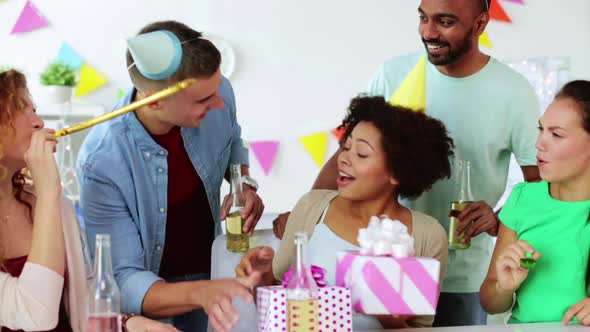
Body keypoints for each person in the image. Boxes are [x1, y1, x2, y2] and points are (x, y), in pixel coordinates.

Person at [272, 0, 542, 326]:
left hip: (463, 276)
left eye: (445, 22)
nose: (429, 31)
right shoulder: (392, 74)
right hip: (379, 265)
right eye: (424, 18)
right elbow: (349, 150)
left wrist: (499, 220)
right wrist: (311, 213)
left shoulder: (513, 92)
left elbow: (539, 182)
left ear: (480, 23)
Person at [76, 21, 263, 332]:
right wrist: (203, 293)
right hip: (155, 305)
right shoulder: (101, 163)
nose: (218, 104)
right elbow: (123, 277)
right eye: (203, 100)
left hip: (212, 273)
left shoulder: (218, 92)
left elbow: (232, 139)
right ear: (155, 100)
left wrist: (243, 183)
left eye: (217, 91)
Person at [238, 95, 453, 329]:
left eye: (361, 154)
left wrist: (392, 320)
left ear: (397, 173)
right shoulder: (312, 207)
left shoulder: (428, 235)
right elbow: (278, 306)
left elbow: (422, 328)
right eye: (346, 147)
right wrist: (261, 280)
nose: (343, 159)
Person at [0, 69, 178, 332]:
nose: (39, 123)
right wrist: (49, 190)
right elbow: (36, 316)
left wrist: (129, 324)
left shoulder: (54, 207)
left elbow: (82, 300)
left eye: (34, 109)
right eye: (19, 109)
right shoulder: (50, 199)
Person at [480, 80, 590, 325]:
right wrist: (504, 286)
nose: (539, 143)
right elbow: (490, 301)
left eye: (556, 134)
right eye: (541, 129)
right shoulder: (523, 198)